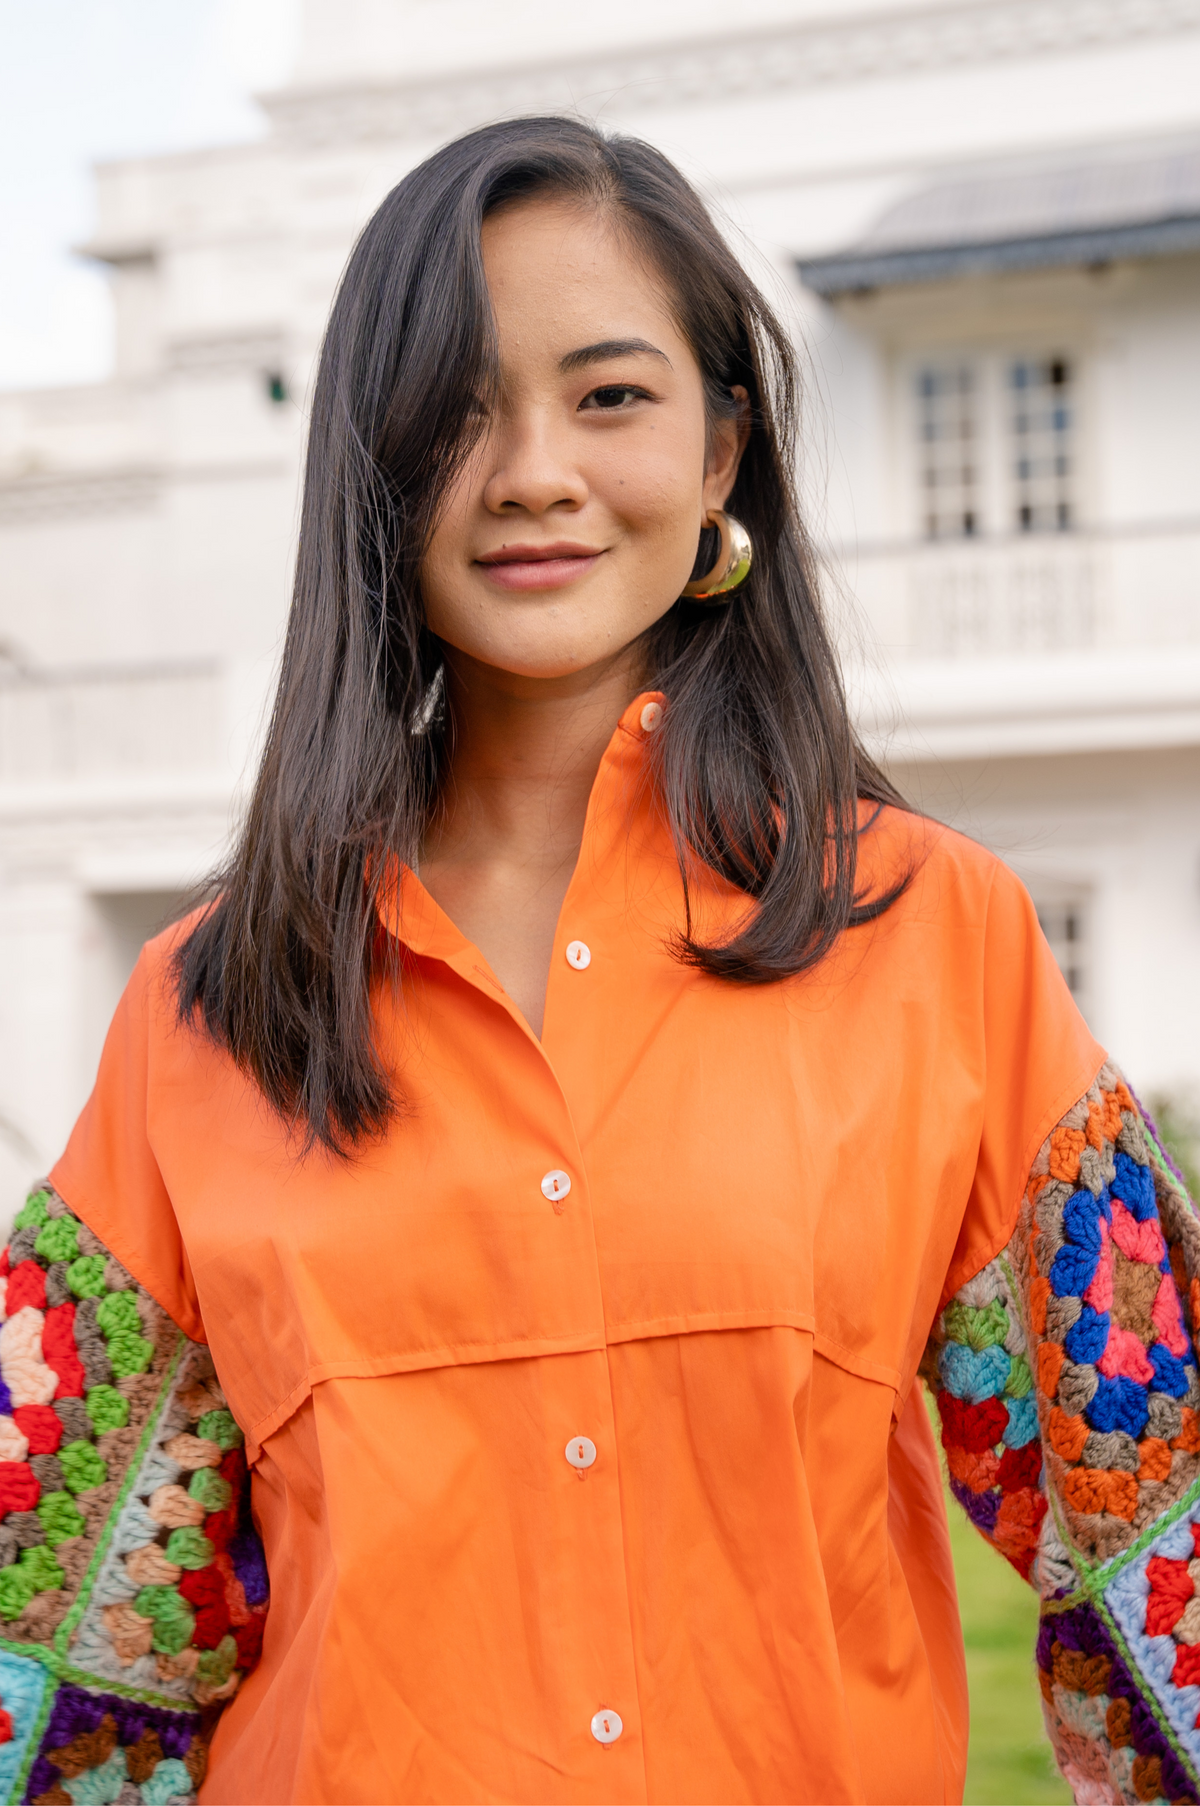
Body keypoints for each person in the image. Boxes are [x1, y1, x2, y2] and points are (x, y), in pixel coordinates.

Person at [0, 115, 1195, 1806]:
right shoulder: (209, 1010)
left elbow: (1165, 1545)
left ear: (723, 452)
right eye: (457, 414)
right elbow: (55, 1656)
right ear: (374, 469)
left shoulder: (939, 934)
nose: (534, 471)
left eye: (611, 395)